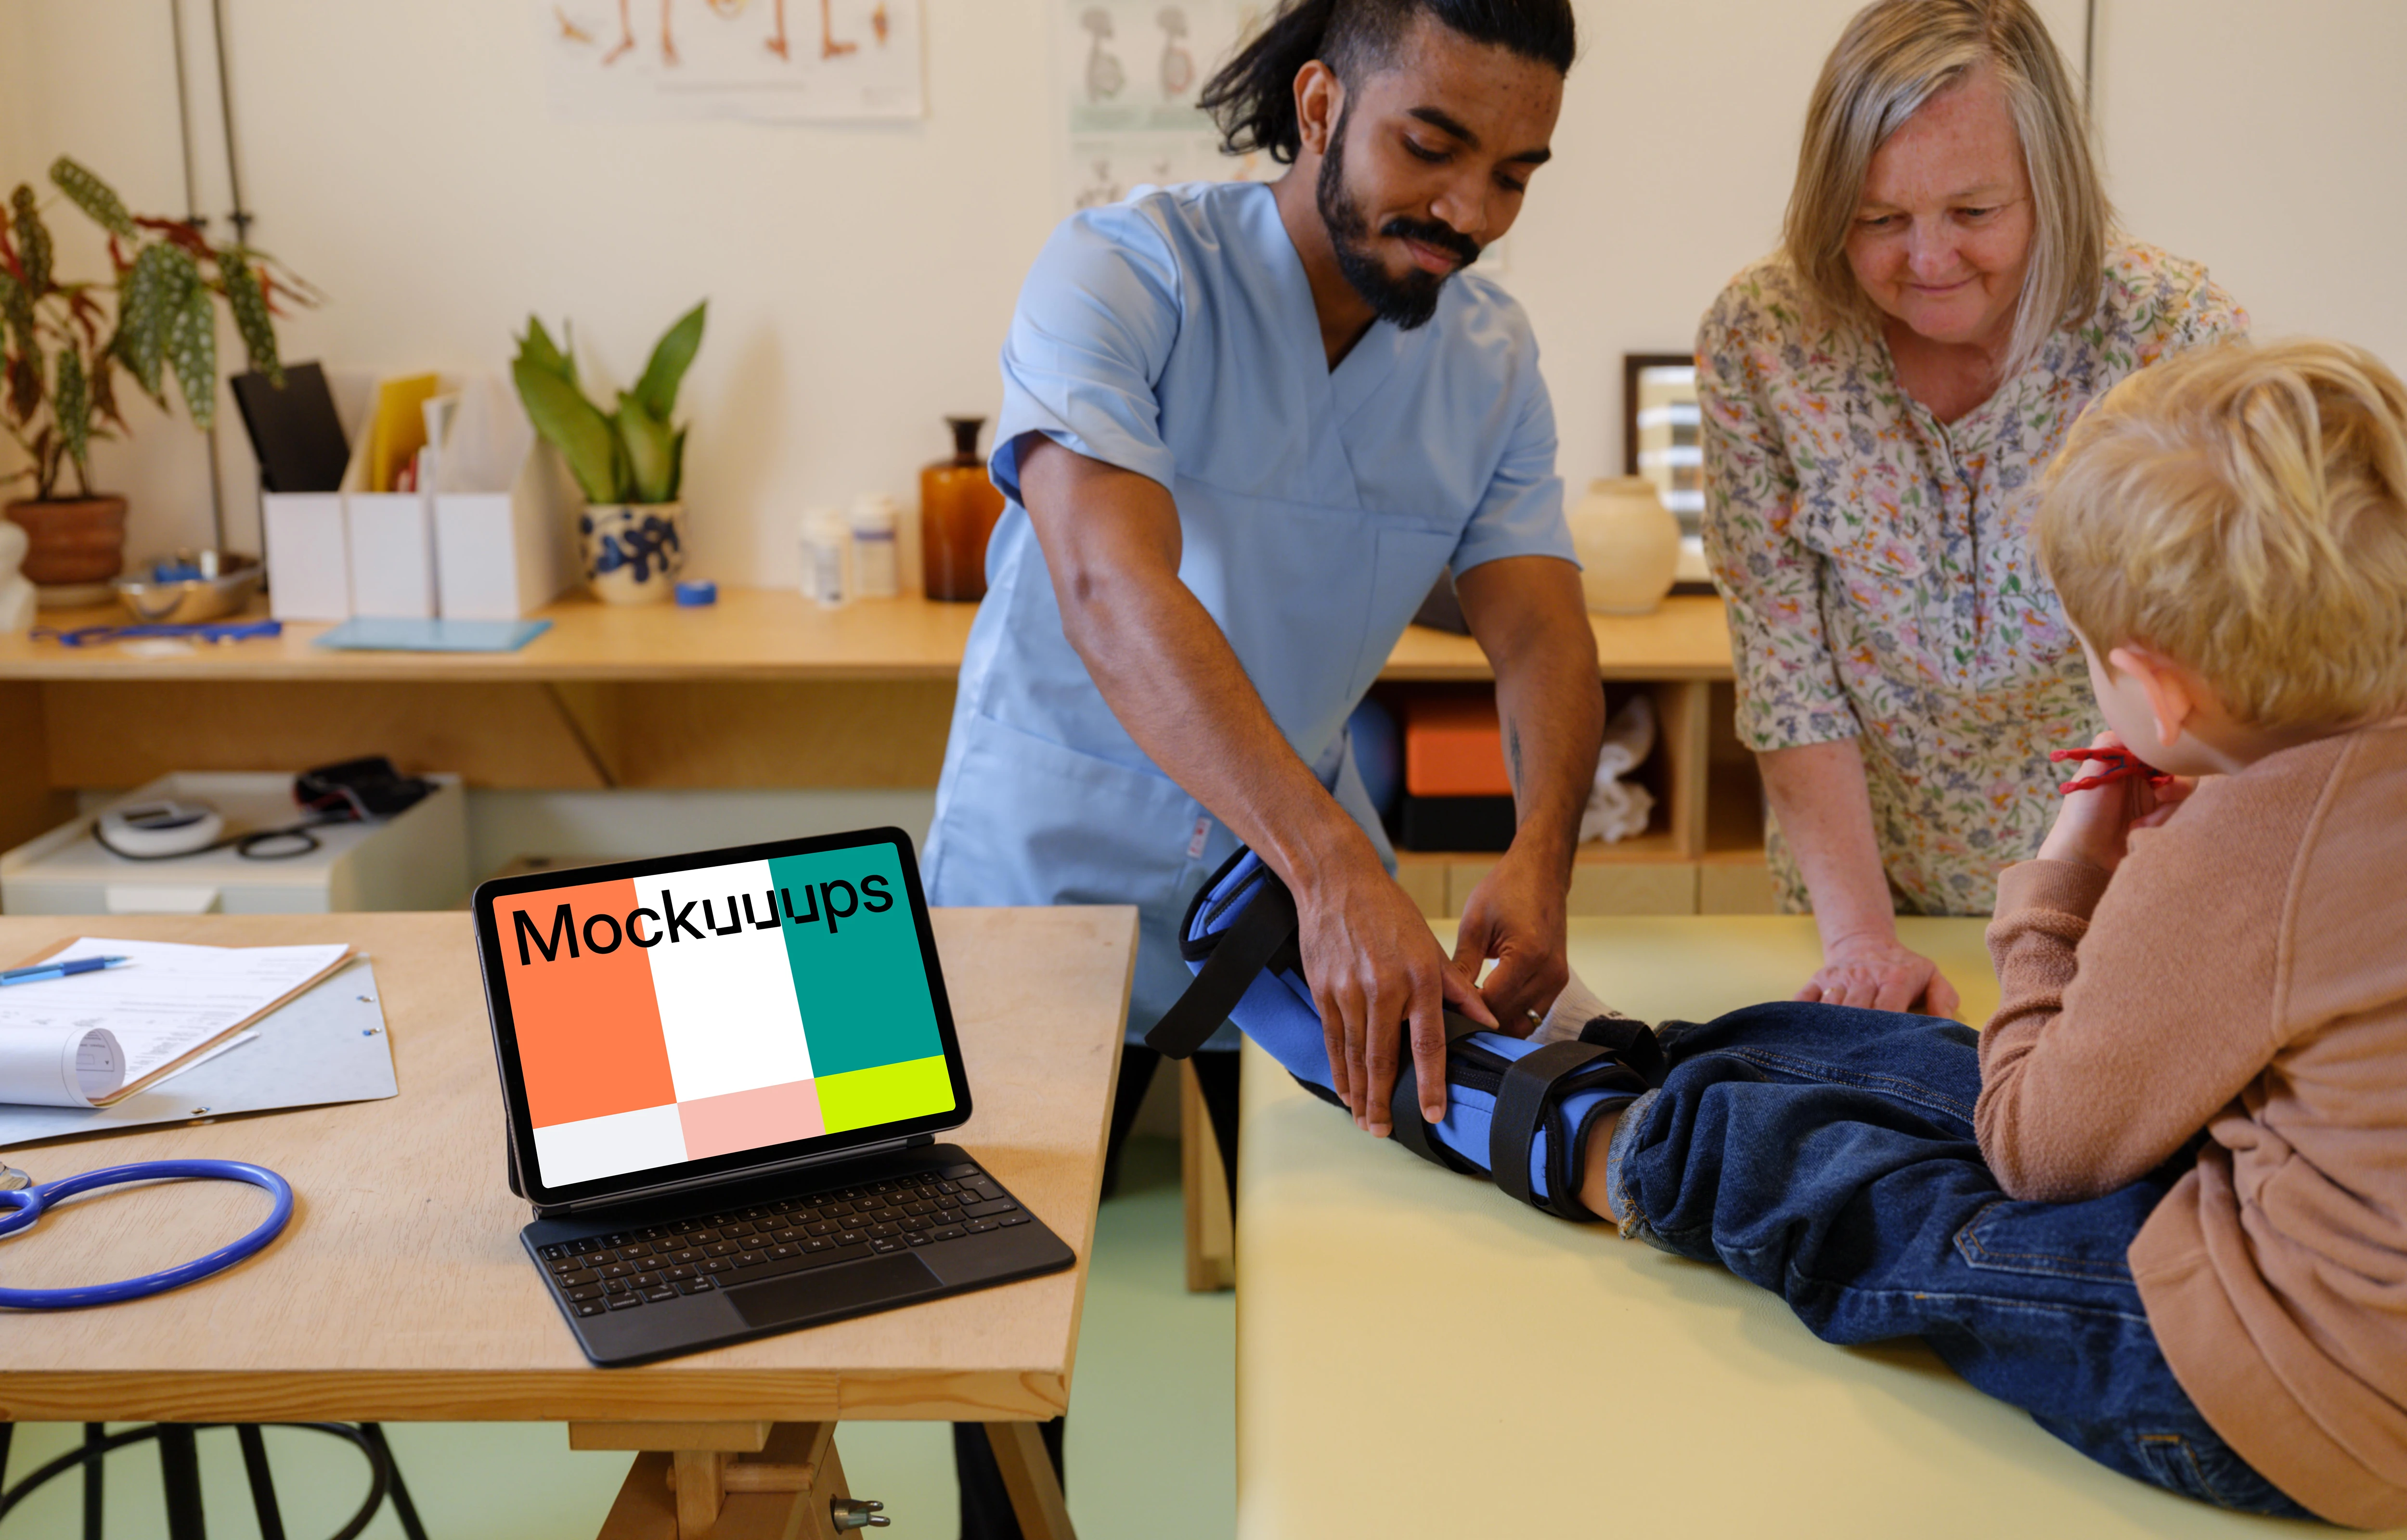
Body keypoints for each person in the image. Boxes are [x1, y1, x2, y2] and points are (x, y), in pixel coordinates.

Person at [1186, 338, 2407, 1523]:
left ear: (2160, 692)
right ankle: (1629, 1049)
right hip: (2323, 1261)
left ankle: (1578, 1128)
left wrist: (2065, 876)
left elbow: (2038, 1155)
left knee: (1864, 1193)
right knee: (1925, 1064)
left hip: (2300, 1389)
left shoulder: (2241, 857)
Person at [921, 0, 1604, 1529]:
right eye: (1434, 148)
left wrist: (1542, 848)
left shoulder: (1487, 357)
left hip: (1280, 898)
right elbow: (1107, 585)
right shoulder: (1126, 273)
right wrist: (1336, 866)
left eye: (1515, 174)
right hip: (1058, 880)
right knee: (1004, 1335)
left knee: (1348, 1269)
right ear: (1318, 107)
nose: (1472, 211)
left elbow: (1540, 626)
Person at [1696, 0, 2246, 1017]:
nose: (1928, 260)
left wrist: (2085, 907)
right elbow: (1785, 670)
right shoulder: (1762, 337)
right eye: (1878, 220)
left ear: (2050, 186)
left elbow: (2212, 665)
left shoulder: (2171, 335)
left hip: (2121, 880)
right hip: (1861, 889)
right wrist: (1861, 941)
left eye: (1975, 212)